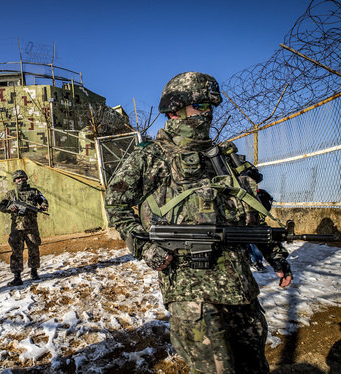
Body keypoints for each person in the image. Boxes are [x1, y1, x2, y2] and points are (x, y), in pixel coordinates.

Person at [105, 72, 293, 373]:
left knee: (254, 366)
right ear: (175, 109)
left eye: (210, 107)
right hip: (191, 291)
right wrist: (144, 246)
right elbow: (115, 203)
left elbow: (250, 214)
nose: (207, 113)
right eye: (200, 105)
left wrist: (276, 256)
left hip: (240, 287)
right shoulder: (152, 157)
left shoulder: (224, 159)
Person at [0, 169, 49, 286]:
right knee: (16, 252)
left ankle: (34, 271)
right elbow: (1, 206)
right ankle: (17, 276)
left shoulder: (34, 192)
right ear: (14, 181)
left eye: (22, 178)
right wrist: (10, 208)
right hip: (17, 228)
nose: (20, 180)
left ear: (26, 179)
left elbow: (43, 200)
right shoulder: (10, 194)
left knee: (34, 249)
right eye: (17, 178)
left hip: (31, 227)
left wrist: (43, 205)